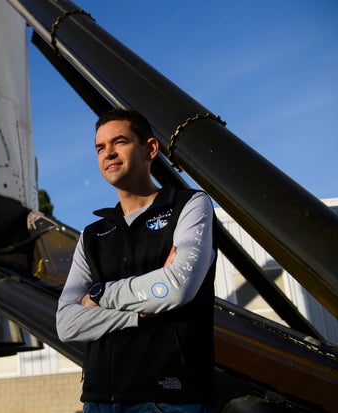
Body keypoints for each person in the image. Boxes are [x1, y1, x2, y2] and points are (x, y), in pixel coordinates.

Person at [56, 108, 217, 413]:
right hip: (99, 402)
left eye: (119, 142)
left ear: (150, 149)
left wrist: (98, 295)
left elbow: (177, 289)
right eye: (100, 148)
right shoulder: (92, 235)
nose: (109, 153)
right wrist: (139, 313)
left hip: (171, 401)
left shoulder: (189, 205)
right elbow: (66, 324)